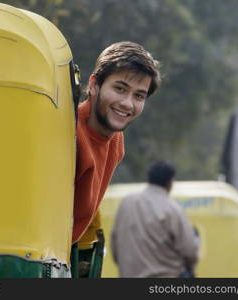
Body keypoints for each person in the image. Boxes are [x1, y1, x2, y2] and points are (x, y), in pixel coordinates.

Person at [72, 41, 161, 244]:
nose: (128, 104)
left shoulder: (116, 140)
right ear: (94, 84)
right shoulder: (68, 133)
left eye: (139, 96)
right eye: (120, 89)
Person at [111, 161, 198, 277]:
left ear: (149, 179)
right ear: (170, 182)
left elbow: (115, 244)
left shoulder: (127, 203)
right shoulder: (172, 208)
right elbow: (189, 250)